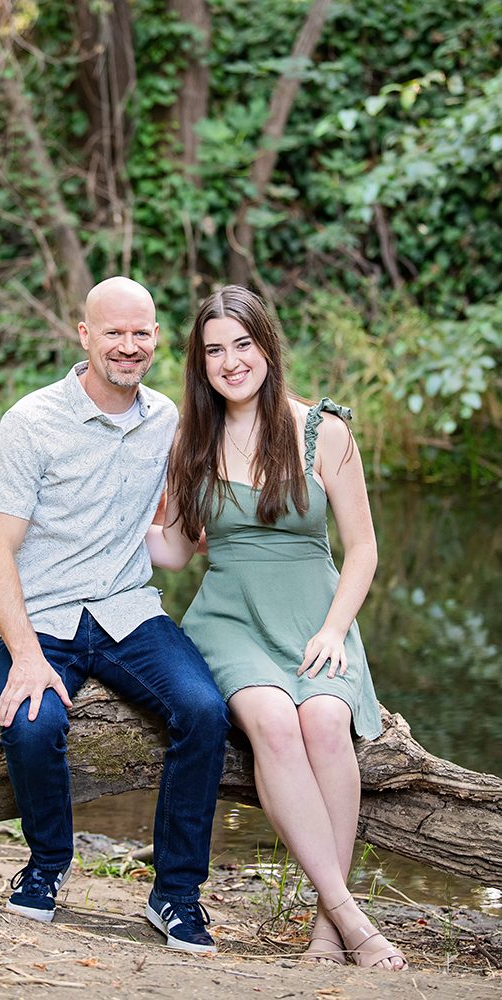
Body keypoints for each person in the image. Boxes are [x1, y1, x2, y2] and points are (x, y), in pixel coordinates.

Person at [146, 285, 407, 971]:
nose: (230, 362)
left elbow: (363, 550)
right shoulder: (191, 441)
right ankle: (349, 914)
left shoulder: (323, 431)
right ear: (199, 364)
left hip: (316, 616)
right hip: (230, 618)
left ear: (266, 346)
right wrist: (93, 522)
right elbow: (174, 550)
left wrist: (334, 629)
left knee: (324, 722)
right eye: (213, 350)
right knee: (275, 724)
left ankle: (325, 927)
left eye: (242, 344)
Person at [0, 276, 229, 954]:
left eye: (140, 332)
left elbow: (177, 522)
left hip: (126, 609)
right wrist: (25, 656)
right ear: (84, 335)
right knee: (31, 724)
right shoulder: (31, 422)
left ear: (157, 338)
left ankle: (175, 894)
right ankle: (46, 866)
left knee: (205, 712)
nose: (128, 345)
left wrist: (222, 530)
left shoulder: (167, 419)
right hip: (41, 613)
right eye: (113, 332)